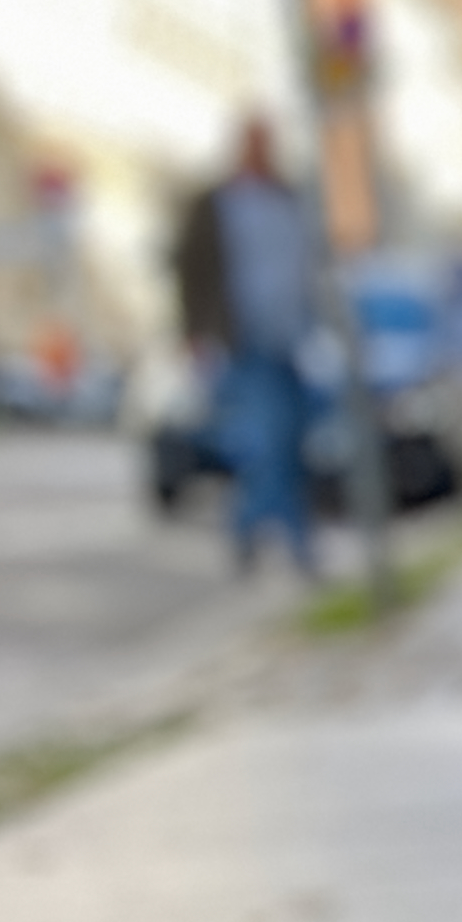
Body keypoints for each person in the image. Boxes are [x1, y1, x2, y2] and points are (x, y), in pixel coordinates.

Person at [171, 118, 324, 580]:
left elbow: (309, 263)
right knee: (273, 440)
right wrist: (194, 332)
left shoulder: (288, 198)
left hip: (292, 339)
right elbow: (190, 267)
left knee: (290, 443)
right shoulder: (215, 204)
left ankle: (254, 527)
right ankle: (292, 543)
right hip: (244, 340)